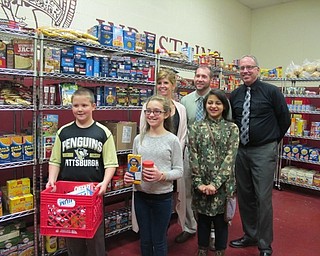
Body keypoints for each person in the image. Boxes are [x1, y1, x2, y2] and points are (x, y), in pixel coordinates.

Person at [229, 55, 291, 256]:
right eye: (242, 68)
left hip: (263, 150)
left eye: (249, 67)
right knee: (245, 196)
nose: (245, 71)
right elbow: (233, 121)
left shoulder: (272, 92)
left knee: (263, 198)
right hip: (241, 150)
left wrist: (272, 141)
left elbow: (285, 119)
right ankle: (250, 235)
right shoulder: (235, 94)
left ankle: (265, 244)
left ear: (258, 70)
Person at [46, 87, 119, 256]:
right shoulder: (63, 132)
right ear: (71, 107)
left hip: (93, 193)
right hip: (69, 193)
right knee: (71, 233)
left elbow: (110, 163)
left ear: (94, 106)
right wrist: (52, 179)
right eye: (76, 105)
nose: (80, 109)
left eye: (84, 105)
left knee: (95, 237)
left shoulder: (103, 132)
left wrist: (105, 182)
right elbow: (55, 160)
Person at [124, 95, 183, 256]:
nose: (151, 115)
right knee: (144, 239)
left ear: (166, 113)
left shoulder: (172, 140)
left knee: (159, 239)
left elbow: (179, 170)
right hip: (141, 196)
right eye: (148, 111)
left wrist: (161, 175)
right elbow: (133, 167)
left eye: (156, 111)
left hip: (162, 198)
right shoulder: (138, 139)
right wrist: (129, 177)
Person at [188, 89, 239, 256]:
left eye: (218, 103)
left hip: (223, 185)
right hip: (201, 183)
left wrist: (215, 184)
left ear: (224, 106)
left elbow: (230, 160)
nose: (213, 106)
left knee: (221, 221)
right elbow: (193, 155)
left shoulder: (232, 128)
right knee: (202, 219)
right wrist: (199, 183)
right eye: (210, 102)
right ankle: (202, 249)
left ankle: (220, 251)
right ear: (205, 105)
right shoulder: (196, 127)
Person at [139, 68, 187, 231]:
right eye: (159, 83)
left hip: (171, 159)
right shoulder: (148, 106)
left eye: (166, 83)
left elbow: (183, 134)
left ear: (173, 85)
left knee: (171, 193)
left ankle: (164, 226)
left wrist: (174, 153)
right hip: (152, 160)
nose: (162, 86)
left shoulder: (180, 108)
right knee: (151, 194)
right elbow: (142, 131)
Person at [176, 65, 213, 244]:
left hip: (212, 153)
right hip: (190, 151)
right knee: (188, 189)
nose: (199, 79)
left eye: (204, 76)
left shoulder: (217, 99)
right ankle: (189, 227)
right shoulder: (186, 101)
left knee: (211, 192)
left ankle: (212, 232)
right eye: (197, 76)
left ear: (210, 80)